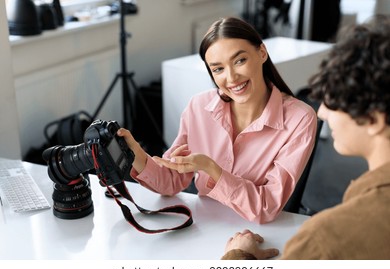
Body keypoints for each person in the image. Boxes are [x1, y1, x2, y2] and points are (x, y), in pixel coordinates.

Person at [118, 17, 317, 224]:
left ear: (262, 52)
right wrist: (135, 153)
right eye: (218, 69)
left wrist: (212, 169)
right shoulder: (198, 106)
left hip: (259, 231)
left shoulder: (300, 118)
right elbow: (170, 182)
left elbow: (267, 206)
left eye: (240, 60)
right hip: (206, 226)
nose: (231, 78)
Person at [222, 14, 390, 259]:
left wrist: (237, 258)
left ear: (374, 119)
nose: (321, 111)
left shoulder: (326, 241)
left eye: (332, 101)